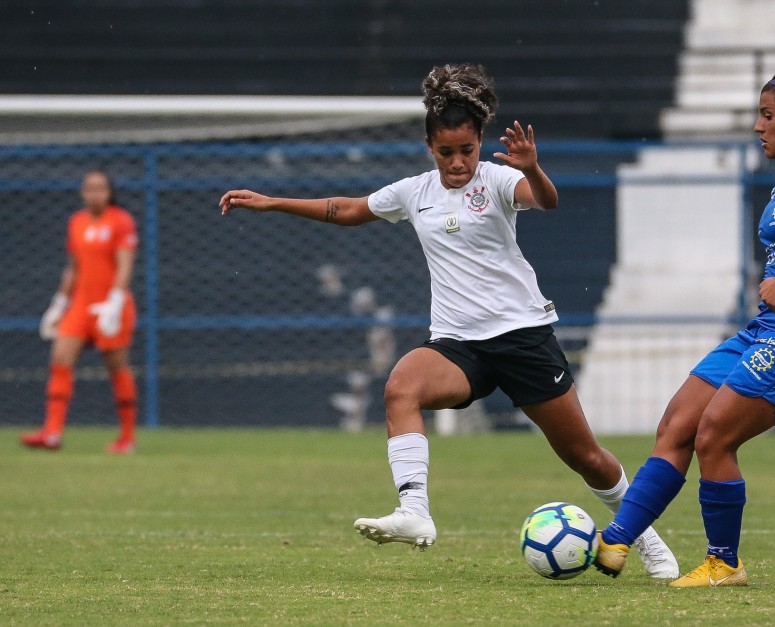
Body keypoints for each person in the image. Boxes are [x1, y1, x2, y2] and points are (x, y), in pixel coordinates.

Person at [219, 63, 679, 578]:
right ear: (429, 146)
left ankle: (650, 542)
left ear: (480, 141)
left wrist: (531, 168)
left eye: (467, 150)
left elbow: (545, 201)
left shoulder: (500, 179)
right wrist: (272, 202)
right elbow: (347, 209)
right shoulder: (415, 193)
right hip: (460, 345)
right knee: (401, 387)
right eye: (446, 152)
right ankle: (414, 511)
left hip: (523, 337)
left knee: (585, 456)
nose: (458, 162)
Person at [593, 60, 775, 587]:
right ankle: (615, 540)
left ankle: (724, 564)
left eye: (767, 115)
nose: (758, 126)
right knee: (678, 423)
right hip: (766, 331)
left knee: (714, 435)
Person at [20, 170, 139, 454]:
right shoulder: (76, 222)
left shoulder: (120, 220)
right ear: (82, 192)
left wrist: (115, 300)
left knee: (116, 367)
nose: (95, 193)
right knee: (60, 356)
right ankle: (52, 433)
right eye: (90, 188)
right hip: (81, 305)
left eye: (100, 188)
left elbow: (124, 265)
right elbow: (73, 267)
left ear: (109, 192)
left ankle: (126, 438)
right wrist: (59, 303)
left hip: (110, 305)